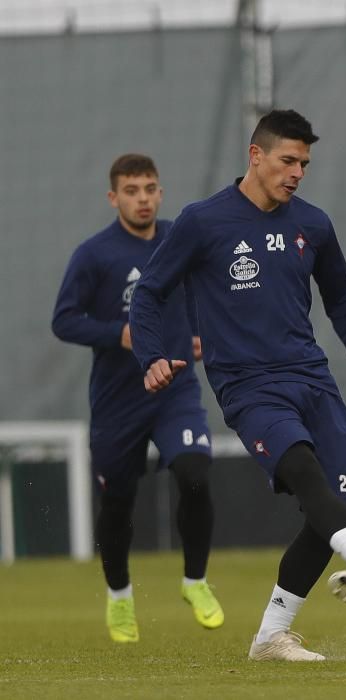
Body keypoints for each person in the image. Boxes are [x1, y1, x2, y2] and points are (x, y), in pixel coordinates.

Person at [129, 109, 346, 662]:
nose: (297, 171)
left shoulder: (314, 225)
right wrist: (152, 356)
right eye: (287, 160)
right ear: (256, 156)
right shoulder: (203, 222)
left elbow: (342, 298)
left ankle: (268, 639)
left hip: (312, 376)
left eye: (304, 162)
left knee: (333, 503)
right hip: (247, 383)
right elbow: (150, 293)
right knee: (302, 468)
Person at [52, 154, 223, 643]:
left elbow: (208, 288)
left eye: (150, 188)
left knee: (194, 471)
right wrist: (118, 334)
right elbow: (64, 320)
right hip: (118, 399)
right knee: (118, 503)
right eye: (132, 190)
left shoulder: (177, 239)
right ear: (114, 198)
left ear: (161, 193)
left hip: (175, 389)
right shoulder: (95, 254)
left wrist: (199, 332)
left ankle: (195, 582)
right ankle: (120, 597)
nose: (142, 198)